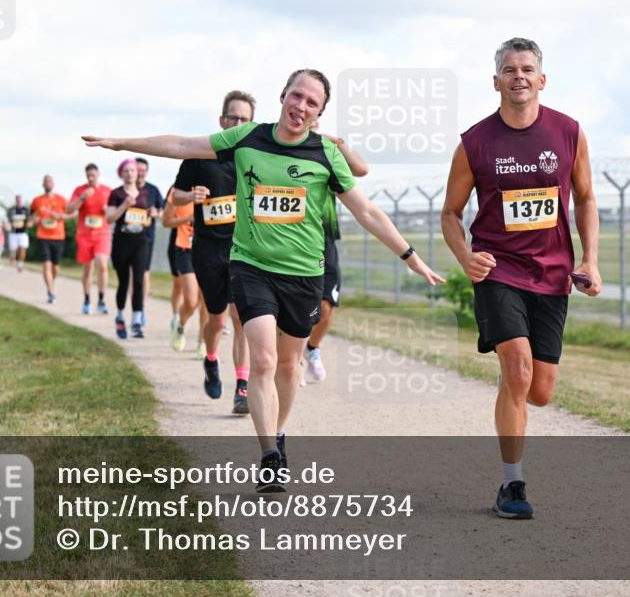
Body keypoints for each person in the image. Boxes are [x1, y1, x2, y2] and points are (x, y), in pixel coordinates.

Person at [83, 69, 443, 491]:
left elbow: (367, 211)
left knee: (289, 366)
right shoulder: (248, 137)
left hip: (304, 273)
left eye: (312, 102)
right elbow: (183, 145)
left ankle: (280, 431)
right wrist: (121, 143)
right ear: (283, 96)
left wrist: (410, 255)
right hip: (250, 265)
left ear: (320, 113)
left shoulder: (325, 153)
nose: (301, 106)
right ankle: (269, 453)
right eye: (297, 96)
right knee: (265, 361)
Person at [441, 37, 601, 520]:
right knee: (517, 368)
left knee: (540, 390)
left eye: (527, 68)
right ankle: (512, 486)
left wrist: (590, 259)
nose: (519, 76)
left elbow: (587, 198)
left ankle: (516, 396)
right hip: (498, 270)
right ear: (496, 82)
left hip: (552, 275)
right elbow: (450, 213)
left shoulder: (568, 132)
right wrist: (465, 256)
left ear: (541, 79)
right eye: (509, 69)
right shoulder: (475, 142)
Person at [170, 90, 257, 414]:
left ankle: (242, 388)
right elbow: (175, 196)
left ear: (251, 123)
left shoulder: (251, 156)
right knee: (217, 319)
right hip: (207, 249)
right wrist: (190, 195)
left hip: (243, 248)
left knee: (241, 319)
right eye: (232, 117)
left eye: (244, 119)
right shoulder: (198, 155)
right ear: (222, 120)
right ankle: (210, 358)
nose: (237, 123)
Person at [302, 118, 370, 384]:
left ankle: (310, 349)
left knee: (327, 305)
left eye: (314, 118)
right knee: (294, 306)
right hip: (292, 238)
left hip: (324, 237)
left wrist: (338, 143)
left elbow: (361, 169)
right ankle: (290, 357)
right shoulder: (283, 148)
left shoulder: (326, 152)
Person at [107, 158, 157, 339]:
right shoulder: (116, 193)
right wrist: (124, 205)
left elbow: (153, 212)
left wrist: (154, 213)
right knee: (123, 282)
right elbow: (109, 218)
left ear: (137, 173)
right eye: (126, 171)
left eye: (132, 171)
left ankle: (136, 320)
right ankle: (120, 316)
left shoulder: (145, 193)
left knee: (138, 281)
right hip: (122, 241)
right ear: (121, 173)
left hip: (140, 241)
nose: (129, 174)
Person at [68, 164, 112, 314]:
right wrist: (82, 198)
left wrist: (108, 211)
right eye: (88, 176)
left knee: (102, 264)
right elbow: (69, 209)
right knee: (88, 270)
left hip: (102, 234)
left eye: (93, 175)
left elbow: (114, 211)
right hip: (85, 235)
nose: (91, 178)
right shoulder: (80, 190)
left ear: (98, 174)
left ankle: (101, 300)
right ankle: (87, 299)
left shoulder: (107, 191)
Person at [163, 187, 201, 352]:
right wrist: (188, 218)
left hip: (209, 248)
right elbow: (166, 222)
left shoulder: (217, 184)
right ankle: (180, 325)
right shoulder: (178, 191)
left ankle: (203, 341)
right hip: (185, 248)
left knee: (207, 302)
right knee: (191, 301)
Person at [134, 157, 164, 327]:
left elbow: (164, 211)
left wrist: (156, 213)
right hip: (127, 239)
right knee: (132, 276)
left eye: (143, 170)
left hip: (146, 238)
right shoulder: (126, 191)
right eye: (138, 169)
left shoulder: (153, 190)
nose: (140, 173)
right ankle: (135, 307)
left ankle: (141, 307)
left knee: (143, 275)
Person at [29, 175, 68, 304]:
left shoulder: (61, 200)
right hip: (43, 236)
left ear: (53, 184)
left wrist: (60, 216)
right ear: (42, 184)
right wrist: (33, 221)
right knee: (46, 265)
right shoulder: (36, 201)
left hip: (58, 236)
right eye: (45, 181)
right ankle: (51, 292)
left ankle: (51, 281)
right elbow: (31, 218)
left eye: (49, 181)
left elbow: (72, 213)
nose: (47, 183)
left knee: (56, 268)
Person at [7, 194, 30, 272]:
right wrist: (9, 225)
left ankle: (20, 264)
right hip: (13, 233)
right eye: (17, 199)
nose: (19, 201)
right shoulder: (11, 210)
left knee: (22, 248)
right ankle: (12, 259)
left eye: (20, 199)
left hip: (23, 232)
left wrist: (29, 224)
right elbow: (7, 220)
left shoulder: (25, 209)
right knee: (13, 251)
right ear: (15, 200)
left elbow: (29, 220)